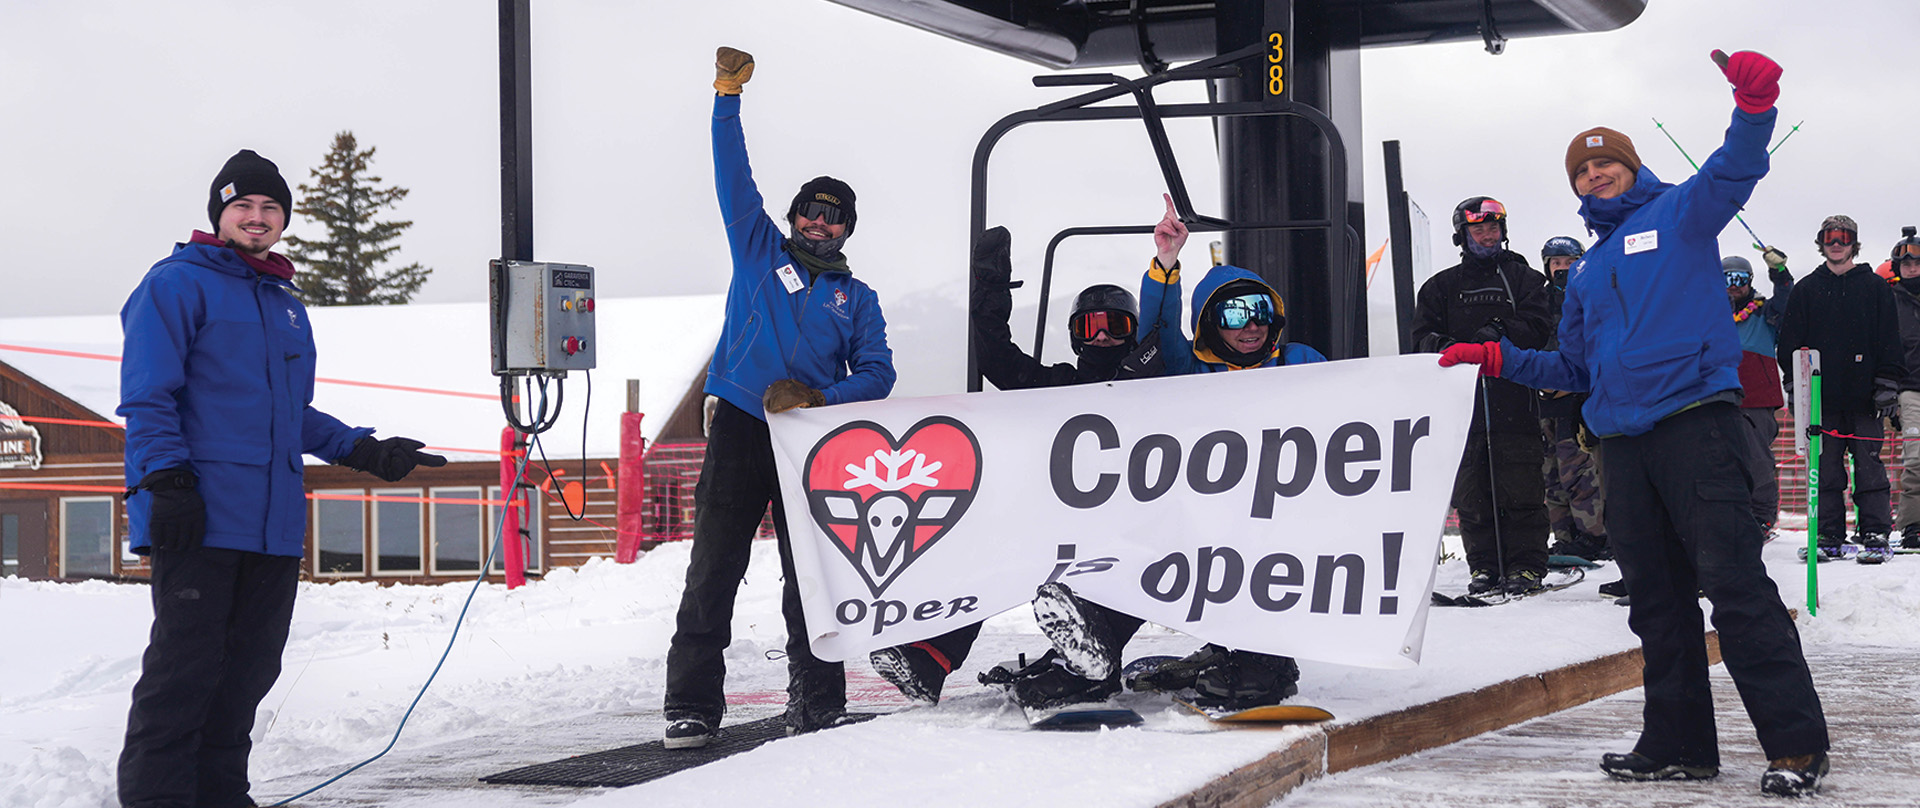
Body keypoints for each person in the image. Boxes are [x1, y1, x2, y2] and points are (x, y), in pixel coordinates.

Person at [1438, 49, 1831, 797]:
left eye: (1604, 165)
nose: (1594, 177)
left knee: (1734, 585)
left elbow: (1735, 170)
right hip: (1622, 443)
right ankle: (1679, 743)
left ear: (1629, 167)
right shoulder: (1586, 269)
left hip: (1695, 426)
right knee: (1655, 599)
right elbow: (1574, 369)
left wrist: (1754, 108)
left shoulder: (1682, 213)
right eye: (1582, 172)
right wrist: (1497, 357)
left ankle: (1794, 746)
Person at [117, 150, 445, 808]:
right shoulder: (176, 284)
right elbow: (148, 394)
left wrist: (362, 448)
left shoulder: (285, 304)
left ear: (285, 219)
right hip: (200, 514)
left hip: (269, 524)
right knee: (185, 674)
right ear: (220, 213)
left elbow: (286, 413)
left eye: (270, 207)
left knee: (246, 676)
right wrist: (166, 480)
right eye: (243, 206)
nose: (257, 217)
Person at [997, 202, 1328, 714]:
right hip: (1202, 506)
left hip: (1277, 506)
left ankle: (1267, 659)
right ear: (1210, 324)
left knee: (1261, 552)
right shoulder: (1192, 369)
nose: (1251, 327)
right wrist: (1166, 264)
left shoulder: (1302, 361)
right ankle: (1093, 650)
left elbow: (1355, 414)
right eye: (1233, 315)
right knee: (1141, 548)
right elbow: (1157, 329)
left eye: (1260, 312)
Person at [662, 47, 898, 749]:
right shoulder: (758, 249)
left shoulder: (856, 297)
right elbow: (731, 174)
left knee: (813, 579)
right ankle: (692, 707)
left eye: (833, 217)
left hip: (810, 442)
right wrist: (726, 96)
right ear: (794, 217)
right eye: (810, 212)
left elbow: (879, 373)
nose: (818, 224)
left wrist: (822, 395)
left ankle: (819, 702)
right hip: (740, 424)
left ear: (847, 229)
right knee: (713, 573)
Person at [868, 212, 1164, 705]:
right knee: (991, 541)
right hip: (1064, 519)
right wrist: (990, 291)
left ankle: (1097, 651)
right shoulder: (1058, 387)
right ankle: (931, 654)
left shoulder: (1159, 389)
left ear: (1134, 332)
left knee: (1141, 555)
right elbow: (998, 361)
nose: (1103, 337)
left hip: (1133, 522)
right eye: (1091, 326)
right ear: (1075, 335)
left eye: (1116, 325)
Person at [1412, 197, 1555, 596]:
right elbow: (1420, 337)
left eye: (1494, 228)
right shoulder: (1440, 287)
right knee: (1473, 490)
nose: (1488, 236)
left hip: (1514, 402)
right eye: (1479, 229)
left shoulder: (1524, 279)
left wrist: (1500, 331)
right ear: (1463, 235)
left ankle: (1526, 566)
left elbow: (1539, 326)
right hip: (1462, 407)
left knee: (1521, 485)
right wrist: (1442, 344)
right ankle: (1484, 566)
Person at [1775, 214, 1904, 564]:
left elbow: (1890, 341)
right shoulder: (1806, 289)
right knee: (1826, 470)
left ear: (1853, 242)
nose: (1836, 242)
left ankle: (1876, 531)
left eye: (1843, 236)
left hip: (1866, 399)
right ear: (1822, 241)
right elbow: (1789, 344)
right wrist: (1794, 388)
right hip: (1822, 400)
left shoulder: (1875, 287)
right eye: (1830, 236)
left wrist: (1887, 384)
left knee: (1870, 467)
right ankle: (1828, 533)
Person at [1536, 236, 1609, 565]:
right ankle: (1564, 535)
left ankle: (1593, 535)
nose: (1562, 270)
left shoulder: (1590, 296)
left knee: (1580, 471)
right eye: (1556, 264)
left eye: (1569, 262)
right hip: (1544, 398)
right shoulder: (1538, 301)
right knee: (1550, 473)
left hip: (1579, 400)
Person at [1725, 252, 1794, 539]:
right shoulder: (1709, 313)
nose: (1733, 285)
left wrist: (1779, 271)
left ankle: (1763, 517)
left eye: (1739, 279)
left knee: (1757, 461)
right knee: (1722, 461)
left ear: (1750, 281)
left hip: (1756, 398)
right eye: (1726, 278)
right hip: (1719, 397)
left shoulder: (1765, 312)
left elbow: (1787, 302)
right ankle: (1731, 517)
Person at [1886, 227, 1920, 550]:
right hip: (1911, 389)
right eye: (1906, 264)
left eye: (1917, 263)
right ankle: (1913, 524)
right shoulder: (1890, 302)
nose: (1912, 268)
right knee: (1917, 458)